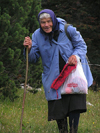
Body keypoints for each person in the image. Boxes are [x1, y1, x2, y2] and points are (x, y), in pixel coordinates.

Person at [23, 9, 93, 133]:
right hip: (54, 80)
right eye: (43, 22)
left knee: (74, 108)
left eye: (49, 21)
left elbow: (81, 46)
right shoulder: (36, 36)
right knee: (59, 112)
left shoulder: (67, 29)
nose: (46, 25)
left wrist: (75, 56)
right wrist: (28, 49)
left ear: (53, 20)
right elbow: (33, 59)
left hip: (73, 76)